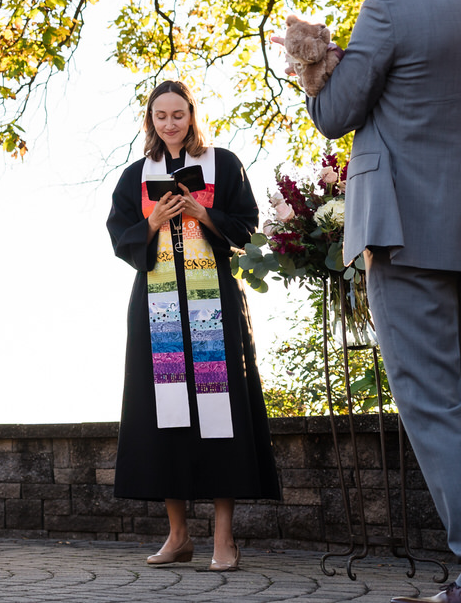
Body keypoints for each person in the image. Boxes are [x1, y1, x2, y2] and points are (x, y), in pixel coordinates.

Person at [301, 0, 461, 603]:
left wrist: (312, 62)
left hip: (406, 234)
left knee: (432, 401)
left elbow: (335, 116)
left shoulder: (390, 9)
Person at [105, 80, 280, 573]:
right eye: (160, 116)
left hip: (214, 305)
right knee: (166, 414)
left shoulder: (222, 164)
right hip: (157, 307)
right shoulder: (137, 175)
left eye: (177, 114)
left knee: (220, 414)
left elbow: (247, 225)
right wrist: (153, 221)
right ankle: (178, 536)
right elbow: (119, 236)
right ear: (151, 122)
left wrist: (205, 212)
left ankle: (224, 539)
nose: (170, 123)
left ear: (192, 114)